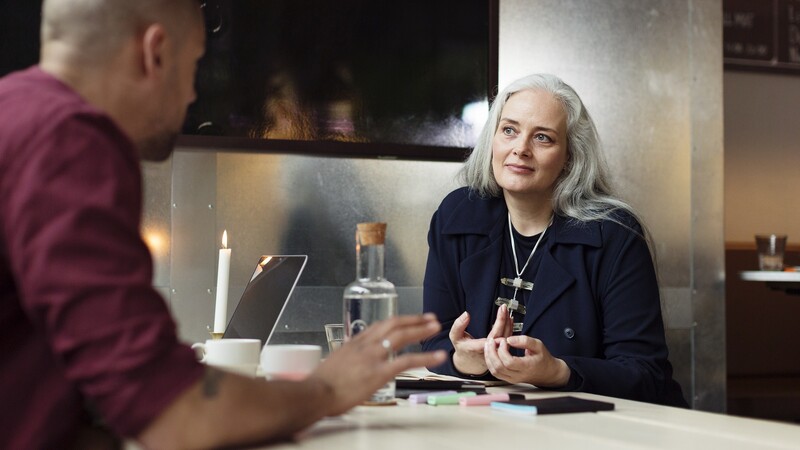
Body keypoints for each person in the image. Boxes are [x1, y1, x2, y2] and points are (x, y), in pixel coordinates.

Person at [0, 1, 446, 448]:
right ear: (155, 52)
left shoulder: (15, 111)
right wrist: (326, 388)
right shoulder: (70, 142)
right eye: (194, 64)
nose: (193, 95)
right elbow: (177, 414)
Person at [421, 73, 687, 407]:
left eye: (543, 138)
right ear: (492, 140)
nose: (520, 148)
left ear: (570, 158)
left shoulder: (616, 234)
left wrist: (558, 372)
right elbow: (433, 341)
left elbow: (646, 375)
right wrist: (464, 361)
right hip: (501, 421)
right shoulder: (457, 215)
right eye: (509, 130)